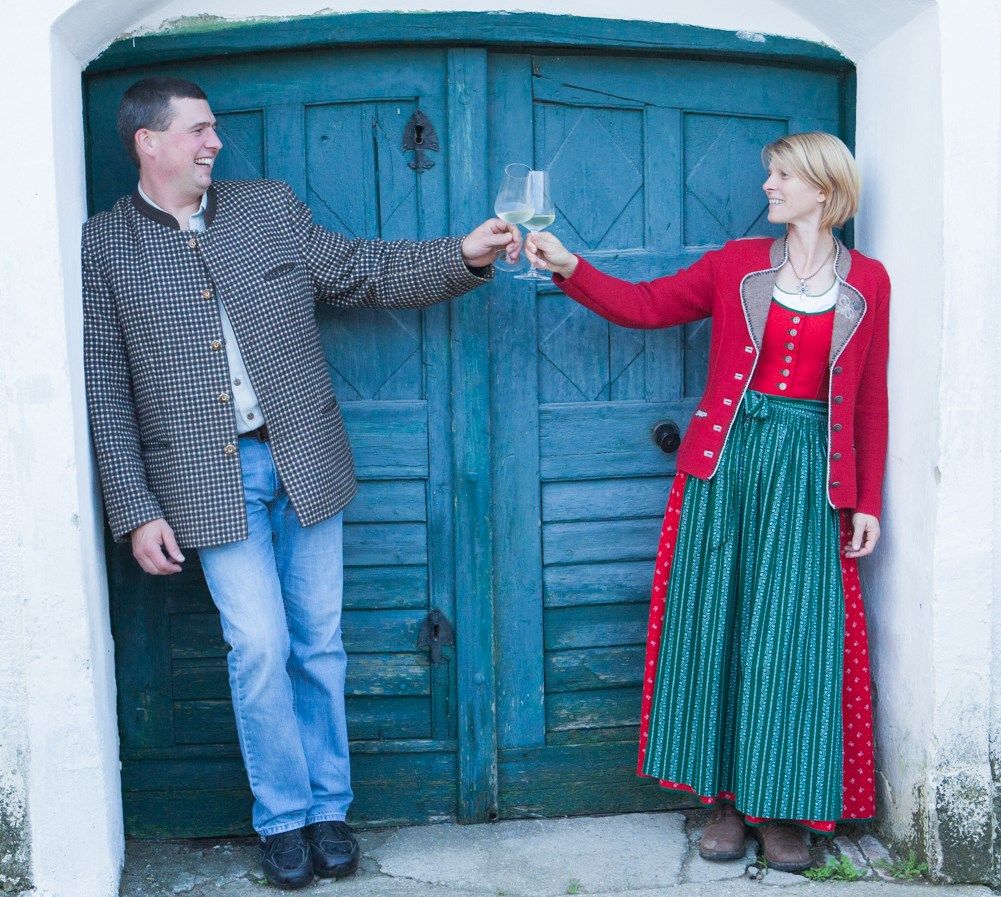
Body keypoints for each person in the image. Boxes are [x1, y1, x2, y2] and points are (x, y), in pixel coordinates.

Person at [82, 76, 520, 891]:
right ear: (148, 140)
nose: (214, 142)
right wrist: (135, 508)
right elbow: (104, 384)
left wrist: (461, 255)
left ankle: (328, 811)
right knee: (258, 647)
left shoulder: (265, 208)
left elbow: (360, 271)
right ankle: (281, 818)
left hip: (304, 460)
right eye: (198, 130)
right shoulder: (104, 245)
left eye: (213, 130)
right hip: (204, 481)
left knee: (319, 645)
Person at [526, 132, 888, 872]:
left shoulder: (870, 282)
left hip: (810, 477)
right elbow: (645, 304)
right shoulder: (733, 265)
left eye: (781, 175)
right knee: (715, 623)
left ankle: (781, 805)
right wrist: (568, 267)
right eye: (769, 174)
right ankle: (722, 801)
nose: (767, 186)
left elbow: (870, 397)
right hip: (724, 466)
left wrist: (866, 499)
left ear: (822, 189)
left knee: (794, 635)